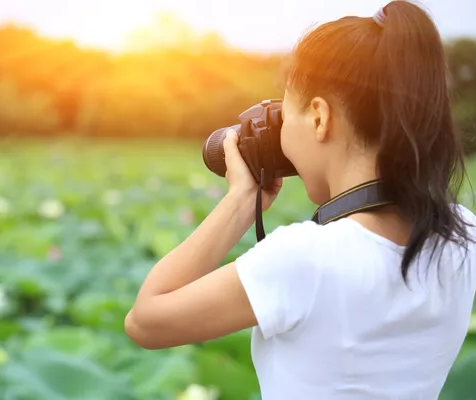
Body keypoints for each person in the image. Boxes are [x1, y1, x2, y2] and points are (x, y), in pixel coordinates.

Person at [124, 1, 476, 398]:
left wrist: (240, 201)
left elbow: (145, 321)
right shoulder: (462, 234)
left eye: (286, 113)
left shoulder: (305, 257)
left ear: (319, 118)